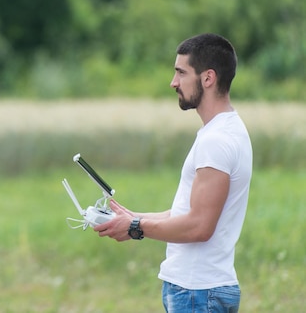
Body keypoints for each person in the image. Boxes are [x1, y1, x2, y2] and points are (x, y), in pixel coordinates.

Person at [94, 33, 252, 313]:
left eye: (181, 72)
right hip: (199, 291)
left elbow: (200, 226)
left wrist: (136, 227)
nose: (173, 82)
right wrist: (134, 219)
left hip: (198, 293)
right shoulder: (225, 131)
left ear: (208, 78)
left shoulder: (216, 141)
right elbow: (189, 213)